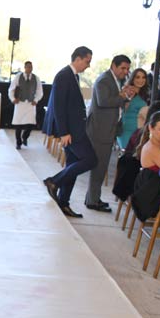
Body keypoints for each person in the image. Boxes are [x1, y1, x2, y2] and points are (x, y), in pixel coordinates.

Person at [43, 46, 96, 218]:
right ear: (78, 58)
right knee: (90, 160)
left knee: (73, 164)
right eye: (87, 61)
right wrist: (64, 132)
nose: (88, 65)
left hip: (75, 129)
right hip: (71, 131)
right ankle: (54, 181)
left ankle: (63, 202)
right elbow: (59, 106)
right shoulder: (64, 75)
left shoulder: (73, 76)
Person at [84, 55, 134, 211]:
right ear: (113, 65)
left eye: (127, 69)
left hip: (108, 129)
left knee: (101, 166)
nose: (125, 72)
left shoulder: (116, 80)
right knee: (99, 167)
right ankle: (93, 201)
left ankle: (92, 198)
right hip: (100, 130)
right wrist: (123, 97)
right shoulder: (105, 80)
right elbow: (103, 101)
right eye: (123, 68)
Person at [8, 60, 42, 149]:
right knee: (18, 124)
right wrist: (13, 99)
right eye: (28, 67)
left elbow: (39, 91)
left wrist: (36, 100)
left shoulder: (36, 78)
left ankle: (25, 137)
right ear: (25, 67)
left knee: (31, 124)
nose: (29, 69)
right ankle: (18, 142)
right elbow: (11, 89)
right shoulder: (18, 77)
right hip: (20, 103)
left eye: (31, 67)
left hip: (30, 104)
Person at [116, 67, 149, 149]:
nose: (141, 80)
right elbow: (121, 108)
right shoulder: (127, 91)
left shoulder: (145, 94)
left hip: (140, 130)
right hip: (127, 130)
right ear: (132, 78)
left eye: (143, 77)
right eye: (137, 77)